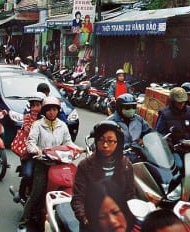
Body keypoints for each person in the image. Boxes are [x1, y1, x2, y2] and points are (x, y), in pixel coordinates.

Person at [18, 96, 76, 232]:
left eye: (54, 109)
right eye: (49, 109)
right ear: (44, 111)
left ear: (58, 110)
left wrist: (78, 149)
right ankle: (23, 222)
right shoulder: (38, 124)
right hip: (42, 163)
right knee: (37, 192)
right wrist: (37, 150)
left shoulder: (62, 125)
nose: (52, 112)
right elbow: (30, 142)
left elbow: (68, 142)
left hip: (59, 164)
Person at [72, 121, 135, 230]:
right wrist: (85, 218)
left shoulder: (126, 166)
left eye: (110, 141)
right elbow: (78, 198)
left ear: (118, 143)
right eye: (101, 140)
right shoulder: (85, 166)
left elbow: (130, 195)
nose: (105, 145)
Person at [11, 93, 43, 204]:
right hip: (28, 152)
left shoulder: (47, 118)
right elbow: (28, 131)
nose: (35, 108)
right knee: (28, 174)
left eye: (38, 105)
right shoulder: (28, 117)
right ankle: (20, 193)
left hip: (44, 152)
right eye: (33, 105)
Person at [107, 93, 152, 162]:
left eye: (133, 107)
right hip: (117, 157)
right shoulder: (110, 121)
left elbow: (149, 132)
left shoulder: (138, 119)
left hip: (138, 154)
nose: (131, 110)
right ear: (119, 108)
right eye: (127, 107)